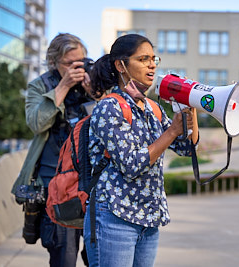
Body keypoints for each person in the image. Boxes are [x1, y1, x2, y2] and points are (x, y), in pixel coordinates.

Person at [83, 33, 199, 267]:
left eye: (153, 58)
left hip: (148, 219)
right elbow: (131, 164)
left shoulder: (153, 108)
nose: (152, 64)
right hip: (115, 217)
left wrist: (191, 104)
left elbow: (187, 147)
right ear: (121, 65)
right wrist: (172, 131)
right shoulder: (109, 107)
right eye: (143, 59)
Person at [12, 33, 94, 266]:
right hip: (55, 187)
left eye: (82, 62)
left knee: (98, 258)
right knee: (63, 257)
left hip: (91, 185)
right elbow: (36, 123)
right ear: (53, 62)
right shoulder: (41, 85)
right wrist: (64, 85)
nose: (76, 68)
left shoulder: (93, 84)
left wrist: (96, 92)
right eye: (70, 64)